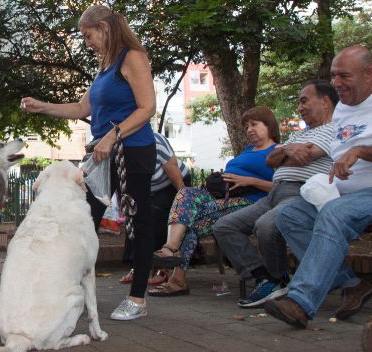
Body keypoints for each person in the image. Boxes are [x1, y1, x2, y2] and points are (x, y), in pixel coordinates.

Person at [265, 46, 372, 328]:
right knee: (289, 216)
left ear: (368, 73)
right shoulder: (342, 110)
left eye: (344, 76)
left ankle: (301, 301)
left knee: (335, 213)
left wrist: (362, 151)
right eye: (333, 76)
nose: (336, 83)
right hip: (345, 192)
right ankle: (352, 284)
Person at [21, 4, 157, 320]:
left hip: (132, 152)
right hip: (101, 155)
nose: (87, 42)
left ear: (105, 27)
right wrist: (42, 106)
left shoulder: (132, 57)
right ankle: (73, 293)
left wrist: (113, 136)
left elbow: (147, 107)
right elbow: (83, 109)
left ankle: (137, 299)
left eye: (88, 35)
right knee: (82, 220)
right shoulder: (104, 68)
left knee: (139, 221)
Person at [212, 80, 338, 308]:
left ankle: (277, 278)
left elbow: (307, 156)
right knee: (223, 226)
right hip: (274, 194)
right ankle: (267, 277)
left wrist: (283, 153)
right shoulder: (301, 134)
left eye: (304, 101)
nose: (299, 108)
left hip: (298, 193)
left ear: (326, 102)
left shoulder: (336, 129)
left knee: (266, 225)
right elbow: (271, 159)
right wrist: (288, 150)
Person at [148, 106, 279, 296]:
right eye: (247, 126)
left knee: (189, 218)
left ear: (269, 126)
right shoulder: (249, 150)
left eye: (254, 124)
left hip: (251, 202)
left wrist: (250, 181)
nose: (249, 129)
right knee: (186, 195)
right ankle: (173, 259)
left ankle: (173, 265)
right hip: (224, 199)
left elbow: (281, 186)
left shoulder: (278, 151)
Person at [119, 132, 191, 286]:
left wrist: (183, 203)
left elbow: (174, 174)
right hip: (147, 186)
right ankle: (137, 267)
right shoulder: (116, 145)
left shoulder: (156, 141)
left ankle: (161, 268)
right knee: (134, 216)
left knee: (156, 214)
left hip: (173, 183)